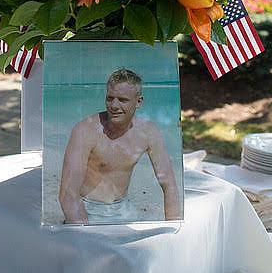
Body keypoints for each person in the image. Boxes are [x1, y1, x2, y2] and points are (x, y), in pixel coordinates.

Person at [59, 68, 181, 224]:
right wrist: (83, 232)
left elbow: (169, 185)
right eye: (110, 98)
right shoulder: (85, 130)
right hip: (87, 210)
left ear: (139, 102)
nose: (114, 105)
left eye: (122, 100)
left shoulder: (148, 132)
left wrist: (174, 228)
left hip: (124, 209)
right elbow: (68, 194)